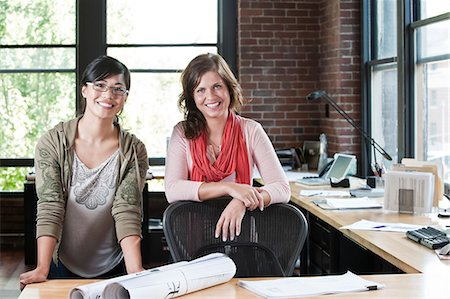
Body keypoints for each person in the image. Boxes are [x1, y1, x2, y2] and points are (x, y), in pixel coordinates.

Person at [19, 55, 148, 289]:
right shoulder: (52, 142)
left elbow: (127, 209)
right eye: (100, 85)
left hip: (116, 266)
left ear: (126, 97)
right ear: (84, 90)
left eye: (118, 89)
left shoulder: (133, 150)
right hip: (60, 264)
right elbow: (50, 204)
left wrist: (135, 271)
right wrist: (42, 267)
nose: (108, 95)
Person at [165, 53, 290, 242]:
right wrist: (229, 188)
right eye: (201, 90)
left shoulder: (251, 130)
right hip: (192, 241)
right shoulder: (182, 133)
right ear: (192, 96)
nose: (211, 96)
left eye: (217, 86)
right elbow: (173, 190)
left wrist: (242, 200)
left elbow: (282, 189)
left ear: (229, 89)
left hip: (242, 238)